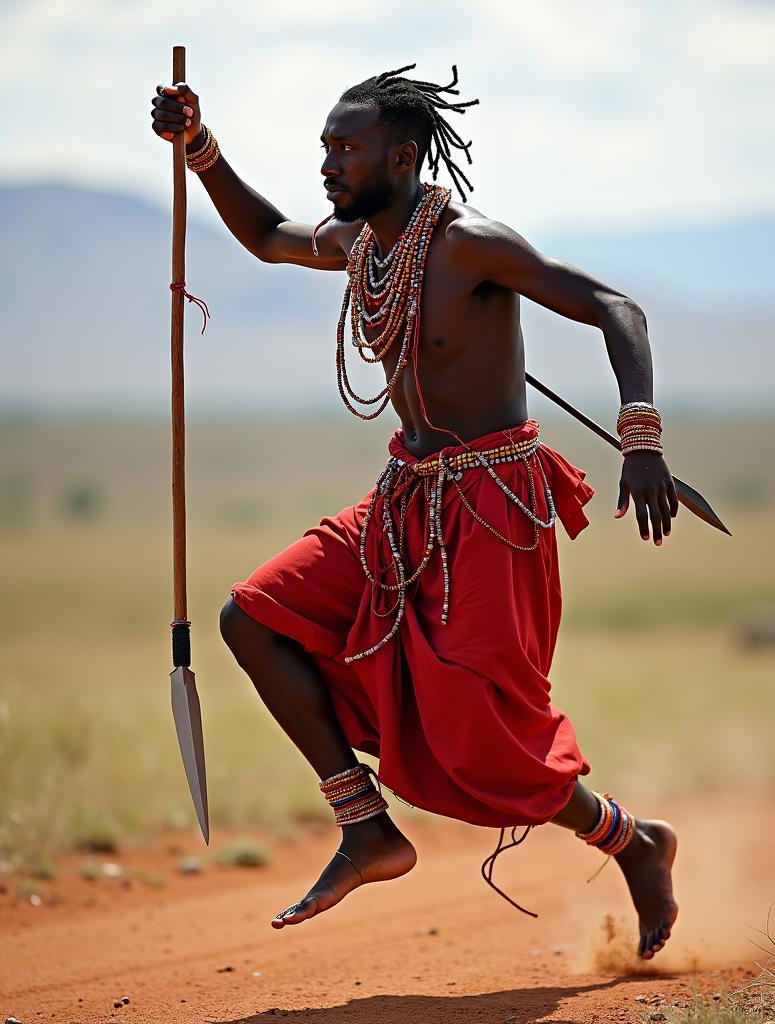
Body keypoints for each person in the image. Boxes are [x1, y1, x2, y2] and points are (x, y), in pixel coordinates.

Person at [150, 63, 679, 960]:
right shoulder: (363, 245)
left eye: (344, 149)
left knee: (484, 736)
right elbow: (271, 236)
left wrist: (641, 436)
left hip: (495, 508)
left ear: (401, 156)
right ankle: (366, 826)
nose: (327, 165)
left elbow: (613, 305)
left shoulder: (471, 243)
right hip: (405, 497)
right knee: (255, 617)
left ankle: (635, 843)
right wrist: (199, 149)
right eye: (323, 148)